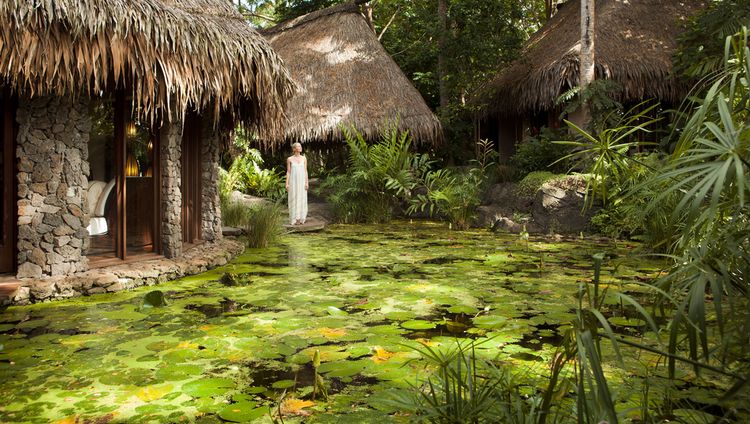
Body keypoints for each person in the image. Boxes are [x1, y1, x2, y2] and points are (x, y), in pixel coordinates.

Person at [286, 142, 308, 225]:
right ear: (294, 149)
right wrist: (287, 184)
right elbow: (288, 172)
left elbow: (305, 171)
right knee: (293, 198)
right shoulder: (289, 159)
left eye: (300, 146)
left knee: (302, 197)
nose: (300, 147)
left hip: (302, 181)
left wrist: (306, 182)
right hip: (293, 182)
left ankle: (301, 218)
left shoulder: (304, 158)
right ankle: (294, 218)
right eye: (298, 146)